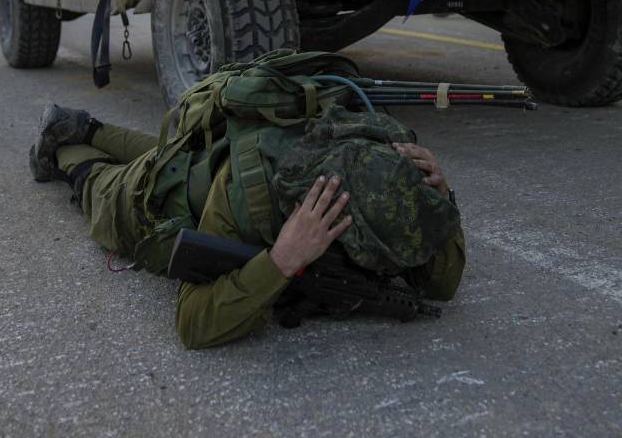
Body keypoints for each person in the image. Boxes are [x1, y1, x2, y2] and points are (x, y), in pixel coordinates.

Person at [30, 104, 466, 349]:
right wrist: (281, 260)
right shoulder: (248, 198)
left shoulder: (371, 153)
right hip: (167, 194)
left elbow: (440, 283)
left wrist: (440, 199)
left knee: (170, 152)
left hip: (208, 153)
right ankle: (63, 143)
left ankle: (90, 124)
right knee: (103, 187)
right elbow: (192, 323)